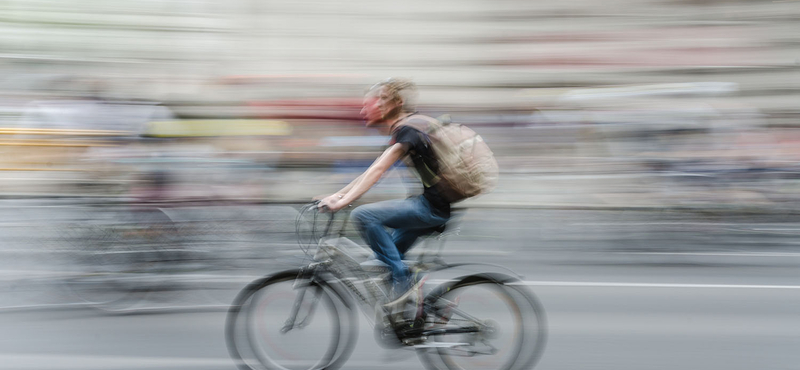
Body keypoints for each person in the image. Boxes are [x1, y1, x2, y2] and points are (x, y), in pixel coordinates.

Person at [317, 78, 451, 305]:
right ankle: (427, 312)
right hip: (433, 205)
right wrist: (339, 195)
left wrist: (342, 203)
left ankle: (405, 283)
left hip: (432, 208)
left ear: (396, 103)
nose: (365, 108)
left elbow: (378, 170)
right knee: (382, 263)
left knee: (363, 215)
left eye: (377, 100)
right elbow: (370, 172)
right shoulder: (407, 130)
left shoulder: (408, 129)